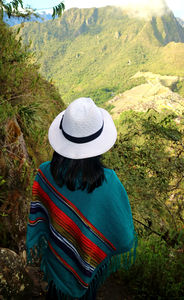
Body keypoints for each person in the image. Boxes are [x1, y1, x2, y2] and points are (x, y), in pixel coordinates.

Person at [26, 97, 137, 299]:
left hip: (54, 262)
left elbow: (41, 217)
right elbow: (124, 237)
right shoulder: (109, 184)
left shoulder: (44, 174)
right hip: (87, 274)